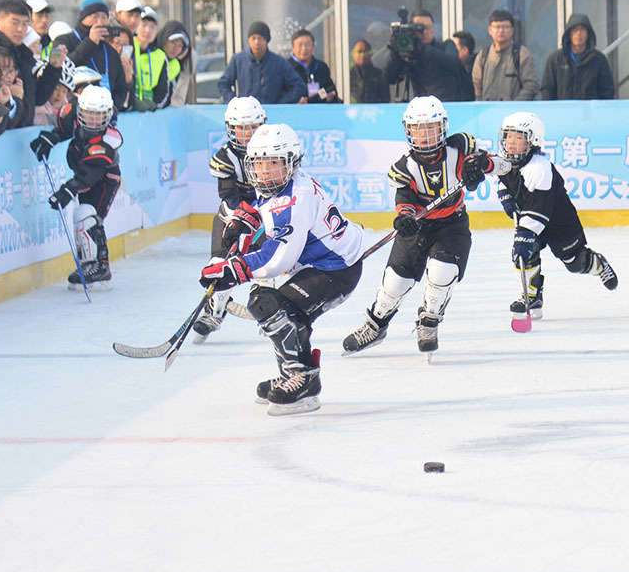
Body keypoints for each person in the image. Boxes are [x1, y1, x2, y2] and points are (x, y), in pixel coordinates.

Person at [198, 123, 365, 416]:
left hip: (337, 269)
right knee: (265, 297)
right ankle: (293, 373)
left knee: (270, 304)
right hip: (319, 264)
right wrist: (245, 218)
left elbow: (278, 259)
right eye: (259, 164)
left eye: (274, 163)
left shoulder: (294, 199)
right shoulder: (282, 183)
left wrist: (233, 269)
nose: (265, 171)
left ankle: (303, 380)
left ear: (291, 163)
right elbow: (263, 204)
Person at [341, 95, 484, 359]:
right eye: (419, 131)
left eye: (431, 130)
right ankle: (375, 324)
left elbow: (494, 165)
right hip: (419, 227)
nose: (426, 138)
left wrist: (479, 167)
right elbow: (404, 199)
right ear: (408, 133)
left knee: (442, 274)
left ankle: (429, 322)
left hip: (452, 225)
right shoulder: (404, 167)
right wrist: (405, 218)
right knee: (394, 283)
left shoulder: (461, 148)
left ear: (442, 128)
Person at [487, 112, 618, 318]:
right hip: (531, 218)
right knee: (523, 253)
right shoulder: (506, 161)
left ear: (533, 140)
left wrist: (525, 234)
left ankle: (597, 263)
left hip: (558, 223)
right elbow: (502, 179)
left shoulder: (539, 168)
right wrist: (505, 196)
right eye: (509, 136)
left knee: (574, 263)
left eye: (518, 137)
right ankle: (531, 297)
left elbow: (539, 210)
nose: (511, 143)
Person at [31, 84, 121, 290]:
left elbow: (90, 173)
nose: (92, 120)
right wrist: (50, 139)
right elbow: (63, 130)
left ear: (107, 116)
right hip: (83, 172)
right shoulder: (72, 114)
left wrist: (67, 190)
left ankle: (100, 267)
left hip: (105, 178)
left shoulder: (108, 141)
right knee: (80, 216)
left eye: (98, 116)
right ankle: (87, 263)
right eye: (88, 114)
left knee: (89, 216)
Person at [192, 95, 266, 342]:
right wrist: (241, 224)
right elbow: (228, 197)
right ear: (231, 129)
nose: (247, 134)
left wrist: (259, 219)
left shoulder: (272, 150)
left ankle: (270, 315)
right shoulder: (226, 158)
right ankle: (215, 311)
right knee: (219, 264)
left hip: (266, 219)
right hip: (232, 218)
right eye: (241, 128)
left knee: (270, 267)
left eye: (253, 127)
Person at [0, 0, 64, 122]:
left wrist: (53, 67)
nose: (20, 29)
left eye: (25, 24)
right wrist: (7, 95)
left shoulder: (22, 53)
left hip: (21, 133)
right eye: (15, 23)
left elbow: (38, 97)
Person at [384, 9, 470, 102]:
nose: (425, 32)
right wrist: (395, 52)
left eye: (428, 27)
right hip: (419, 107)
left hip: (445, 105)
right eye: (419, 29)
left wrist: (422, 50)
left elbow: (453, 61)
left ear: (433, 28)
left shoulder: (446, 46)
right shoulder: (410, 53)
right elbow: (390, 78)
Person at [217, 21, 303, 104]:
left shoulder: (279, 62)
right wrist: (234, 102)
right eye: (253, 38)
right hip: (246, 113)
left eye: (260, 38)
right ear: (249, 40)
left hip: (272, 113)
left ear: (267, 40)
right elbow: (223, 83)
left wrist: (281, 104)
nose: (257, 42)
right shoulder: (238, 60)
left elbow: (298, 86)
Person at [540, 13, 615, 100]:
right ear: (569, 33)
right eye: (575, 29)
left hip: (591, 112)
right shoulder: (556, 59)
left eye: (582, 29)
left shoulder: (599, 60)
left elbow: (607, 92)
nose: (579, 33)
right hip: (563, 112)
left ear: (588, 33)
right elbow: (547, 90)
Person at [472, 9, 539, 101]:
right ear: (490, 30)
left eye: (505, 27)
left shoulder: (521, 54)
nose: (501, 30)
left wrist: (514, 105)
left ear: (512, 30)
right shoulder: (483, 55)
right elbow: (476, 86)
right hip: (487, 112)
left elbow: (531, 85)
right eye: (497, 27)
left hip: (514, 112)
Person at [128, 6, 169, 111]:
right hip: (128, 111)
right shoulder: (127, 48)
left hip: (149, 114)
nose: (148, 30)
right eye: (144, 25)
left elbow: (163, 90)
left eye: (152, 27)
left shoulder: (160, 56)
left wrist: (154, 105)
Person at [288, 28, 338, 103]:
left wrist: (328, 96)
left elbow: (330, 88)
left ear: (313, 46)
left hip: (319, 110)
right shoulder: (286, 67)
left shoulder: (321, 67)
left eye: (307, 44)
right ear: (293, 47)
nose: (304, 48)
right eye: (300, 45)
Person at [159, 21, 194, 106]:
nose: (176, 48)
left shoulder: (175, 66)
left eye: (180, 45)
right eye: (174, 42)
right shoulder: (153, 56)